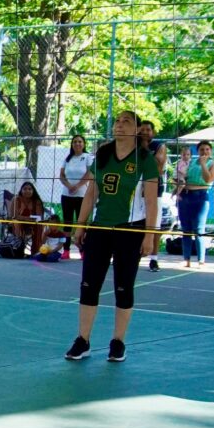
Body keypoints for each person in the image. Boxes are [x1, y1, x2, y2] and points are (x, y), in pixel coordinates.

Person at [64, 110, 159, 363]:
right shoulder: (104, 154)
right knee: (88, 285)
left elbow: (151, 201)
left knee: (123, 287)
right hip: (100, 228)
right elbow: (91, 192)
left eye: (126, 121)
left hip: (130, 230)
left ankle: (118, 342)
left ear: (137, 129)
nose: (119, 124)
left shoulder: (145, 159)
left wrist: (149, 236)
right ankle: (82, 340)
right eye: (117, 120)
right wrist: (80, 225)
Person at [179, 140, 214, 267]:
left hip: (200, 196)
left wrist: (203, 165)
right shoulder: (191, 162)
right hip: (185, 196)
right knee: (185, 229)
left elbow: (208, 179)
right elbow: (184, 177)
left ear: (210, 151)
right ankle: (186, 259)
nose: (204, 152)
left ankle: (201, 260)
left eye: (207, 149)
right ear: (198, 151)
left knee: (199, 229)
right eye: (202, 149)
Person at [138, 121, 167, 271]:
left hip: (154, 189)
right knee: (134, 223)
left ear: (153, 132)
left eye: (148, 130)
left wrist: (144, 147)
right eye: (142, 130)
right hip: (136, 189)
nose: (144, 132)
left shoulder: (158, 146)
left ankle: (154, 259)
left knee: (154, 225)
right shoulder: (132, 146)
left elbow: (158, 166)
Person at [58, 135, 91, 259]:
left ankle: (83, 250)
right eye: (75, 142)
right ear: (72, 144)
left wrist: (77, 186)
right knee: (67, 223)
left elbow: (89, 173)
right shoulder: (67, 159)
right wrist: (68, 185)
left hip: (82, 195)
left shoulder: (87, 157)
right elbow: (61, 175)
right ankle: (66, 251)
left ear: (84, 144)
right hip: (67, 194)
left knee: (81, 222)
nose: (77, 144)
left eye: (80, 142)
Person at [9, 181, 46, 256]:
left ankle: (36, 251)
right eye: (25, 189)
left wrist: (31, 220)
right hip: (18, 223)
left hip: (31, 224)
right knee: (16, 223)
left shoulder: (37, 201)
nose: (27, 191)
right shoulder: (16, 199)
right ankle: (19, 249)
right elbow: (14, 216)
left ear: (33, 191)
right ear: (21, 190)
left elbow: (39, 216)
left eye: (30, 189)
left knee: (40, 225)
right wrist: (27, 218)